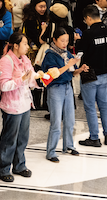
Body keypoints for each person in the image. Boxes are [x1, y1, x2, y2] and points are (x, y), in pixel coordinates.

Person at [0, 33, 37, 182]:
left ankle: (19, 165)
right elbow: (4, 85)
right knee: (9, 138)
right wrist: (22, 79)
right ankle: (3, 169)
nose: (27, 47)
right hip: (12, 105)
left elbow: (31, 76)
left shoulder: (25, 59)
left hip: (24, 103)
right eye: (25, 44)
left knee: (22, 137)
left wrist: (39, 76)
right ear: (16, 45)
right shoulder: (6, 61)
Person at [41, 28, 85, 162]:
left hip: (67, 87)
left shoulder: (67, 54)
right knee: (55, 121)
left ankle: (69, 146)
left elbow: (72, 72)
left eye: (67, 40)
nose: (65, 43)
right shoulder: (50, 55)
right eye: (62, 40)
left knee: (70, 119)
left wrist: (80, 69)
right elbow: (52, 74)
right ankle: (51, 151)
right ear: (54, 40)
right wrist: (69, 65)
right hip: (55, 89)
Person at [78, 5, 107, 148]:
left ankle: (94, 137)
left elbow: (80, 53)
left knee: (90, 107)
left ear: (88, 17)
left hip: (90, 74)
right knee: (104, 105)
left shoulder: (88, 34)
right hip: (105, 73)